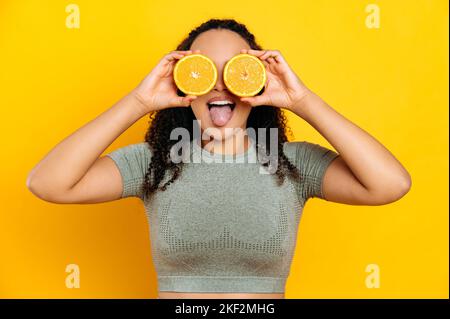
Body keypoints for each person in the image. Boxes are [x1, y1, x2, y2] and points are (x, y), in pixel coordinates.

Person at [26, 19, 411, 299]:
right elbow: (48, 183)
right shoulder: (154, 162)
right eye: (204, 70)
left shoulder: (292, 164)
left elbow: (391, 184)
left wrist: (302, 101)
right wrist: (138, 102)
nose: (220, 84)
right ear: (183, 80)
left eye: (237, 70)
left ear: (257, 80)